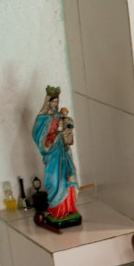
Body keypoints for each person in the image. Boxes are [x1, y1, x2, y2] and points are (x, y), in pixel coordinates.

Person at [32, 85, 79, 222]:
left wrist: (66, 130)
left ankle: (68, 208)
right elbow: (39, 138)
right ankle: (57, 209)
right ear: (47, 102)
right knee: (54, 180)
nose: (55, 104)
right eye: (53, 102)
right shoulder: (42, 118)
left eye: (57, 102)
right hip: (52, 153)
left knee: (67, 178)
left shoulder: (60, 116)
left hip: (63, 151)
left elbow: (69, 132)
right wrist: (55, 134)